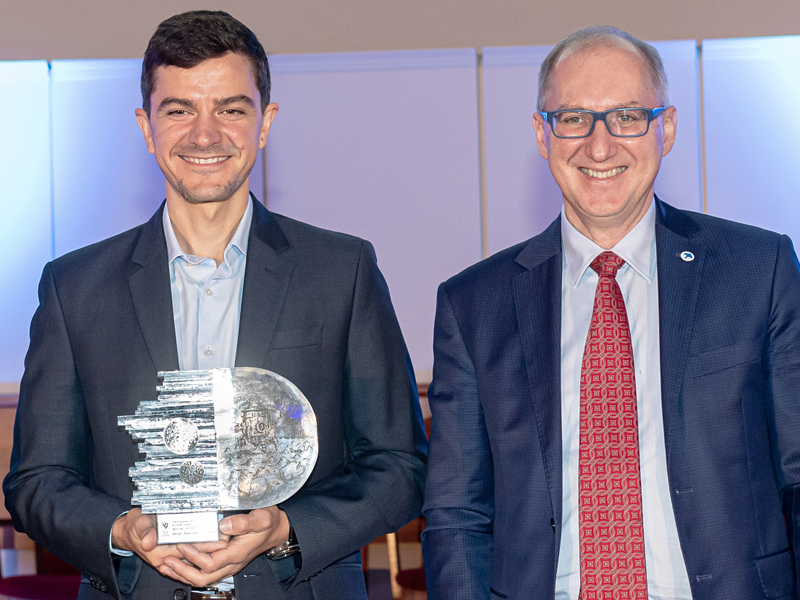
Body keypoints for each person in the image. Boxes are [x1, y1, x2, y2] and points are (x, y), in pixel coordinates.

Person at [4, 10, 427, 600]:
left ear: (266, 122)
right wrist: (122, 530)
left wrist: (286, 528)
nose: (206, 135)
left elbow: (398, 465)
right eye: (179, 110)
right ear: (146, 127)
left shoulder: (341, 271)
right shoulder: (74, 288)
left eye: (231, 108)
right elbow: (37, 482)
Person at [421, 25, 800, 600]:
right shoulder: (475, 304)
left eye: (627, 116)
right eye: (573, 118)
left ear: (665, 129)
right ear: (542, 135)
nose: (600, 146)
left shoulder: (758, 269)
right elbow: (456, 513)